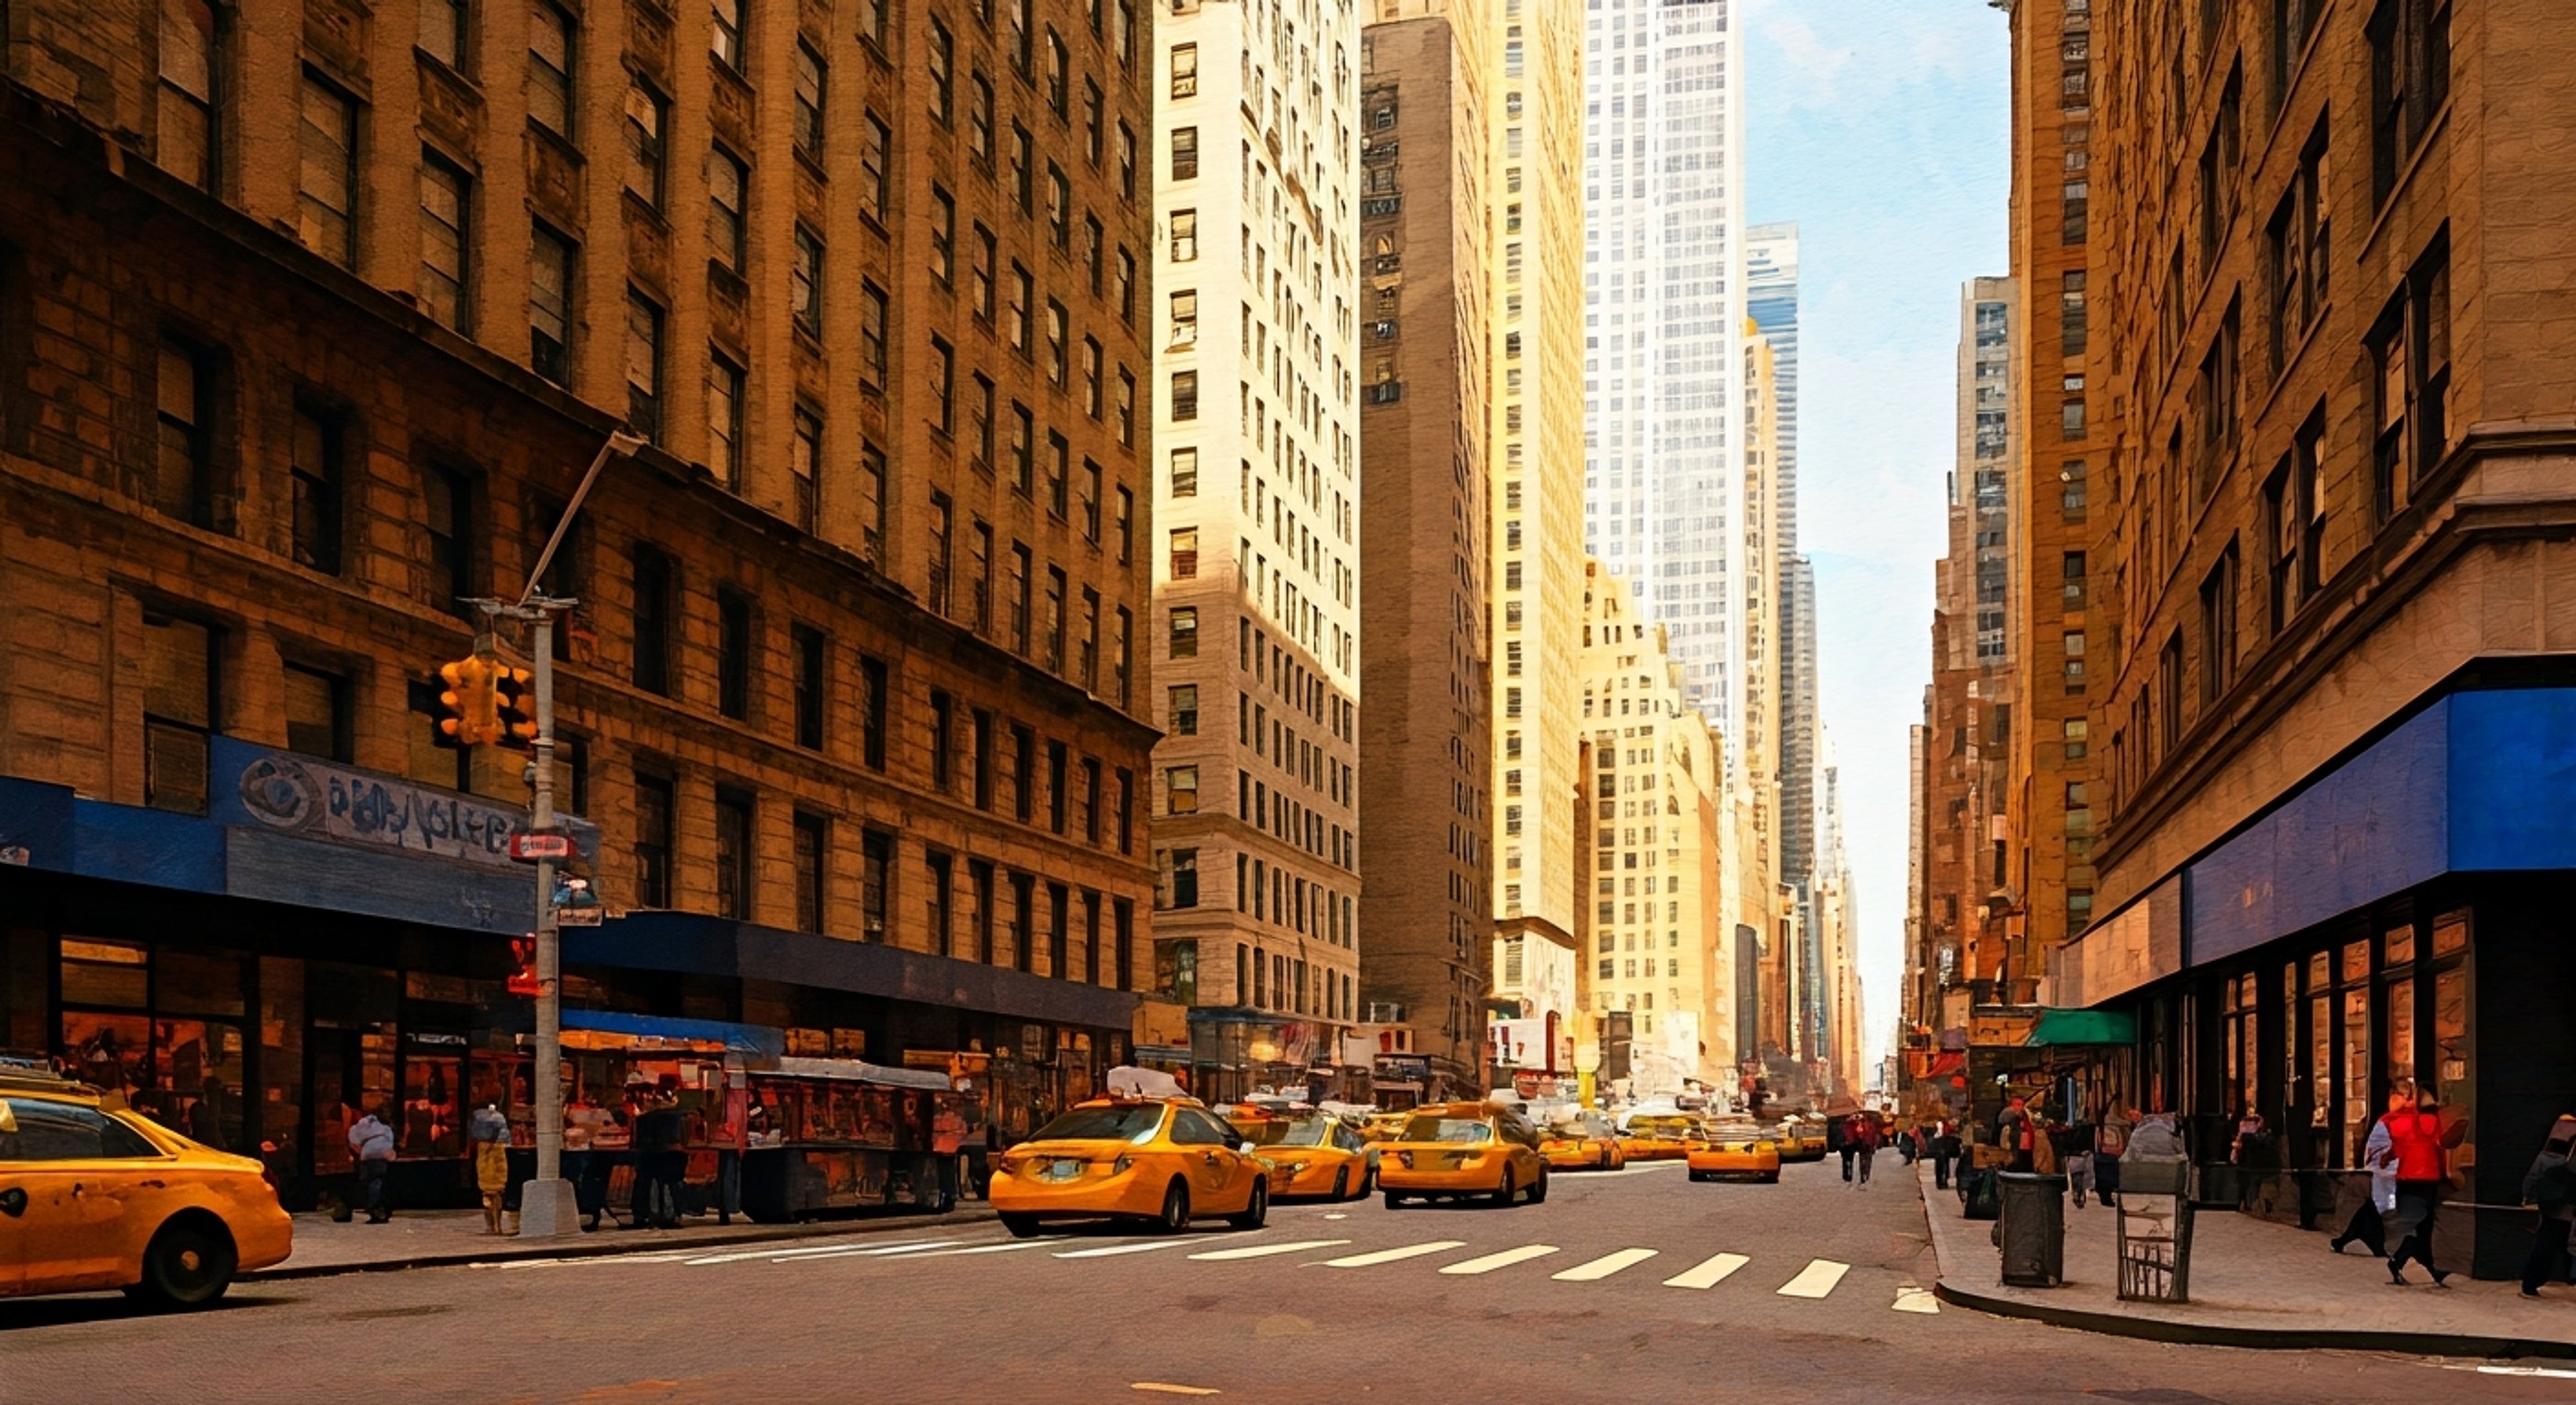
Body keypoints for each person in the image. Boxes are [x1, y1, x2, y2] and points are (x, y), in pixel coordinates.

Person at [2330, 1087, 2410, 1257]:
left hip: (2390, 1170)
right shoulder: (2387, 1122)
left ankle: (2352, 1238)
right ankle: (2360, 1240)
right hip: (2387, 1170)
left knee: (2373, 1206)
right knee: (2375, 1206)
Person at [2384, 1092, 2453, 1286]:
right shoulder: (2438, 1124)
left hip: (2407, 1179)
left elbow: (2395, 1150)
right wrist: (2445, 1175)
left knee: (2414, 1224)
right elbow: (2442, 1151)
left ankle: (2422, 1264)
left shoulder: (2406, 1124)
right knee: (2424, 1226)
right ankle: (2402, 1261)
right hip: (2429, 1179)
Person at [2519, 1112, 2576, 1298]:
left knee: (2549, 1243)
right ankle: (2532, 1282)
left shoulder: (2562, 1141)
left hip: (2558, 1204)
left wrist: (2531, 1197)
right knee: (2552, 1243)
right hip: (2565, 1204)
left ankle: (2531, 1282)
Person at [347, 1105, 396, 1223]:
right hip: (381, 1153)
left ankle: (376, 1207)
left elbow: (353, 1136)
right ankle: (378, 1206)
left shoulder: (364, 1123)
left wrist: (360, 1151)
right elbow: (390, 1141)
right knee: (377, 1181)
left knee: (370, 1181)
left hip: (368, 1154)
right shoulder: (385, 1127)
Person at [468, 1100, 511, 1235]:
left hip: (487, 1172)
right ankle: (496, 1226)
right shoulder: (499, 1144)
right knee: (495, 1196)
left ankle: (492, 1226)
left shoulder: (482, 1144)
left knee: (488, 1197)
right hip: (496, 1171)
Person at [2093, 1103, 2132, 1210]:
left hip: (2105, 1157)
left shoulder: (2102, 1125)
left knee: (2105, 1178)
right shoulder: (2116, 1125)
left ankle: (2106, 1195)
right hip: (2110, 1157)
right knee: (2109, 1177)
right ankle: (2107, 1195)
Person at [2231, 1106, 2271, 1212]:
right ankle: (2246, 1203)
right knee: (2247, 1184)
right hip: (2248, 1162)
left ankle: (2244, 1203)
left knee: (2246, 1184)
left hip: (2247, 1162)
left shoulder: (2247, 1135)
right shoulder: (2251, 1136)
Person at [1998, 1097, 2035, 1173]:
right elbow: (2002, 1121)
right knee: (2016, 1160)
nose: (2021, 1107)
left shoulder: (2026, 1114)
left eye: (2022, 1105)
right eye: (2018, 1105)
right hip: (2015, 1143)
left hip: (2027, 1146)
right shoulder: (2008, 1114)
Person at [1931, 1116, 1960, 1191]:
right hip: (1941, 1145)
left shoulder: (1947, 1125)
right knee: (1942, 1164)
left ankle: (1942, 1181)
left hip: (1943, 1146)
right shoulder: (1940, 1125)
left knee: (1943, 1164)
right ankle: (1941, 1182)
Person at [1854, 1113, 1881, 1187]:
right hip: (1868, 1146)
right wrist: (1875, 1145)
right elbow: (1875, 1137)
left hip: (1864, 1145)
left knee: (1863, 1161)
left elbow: (1857, 1135)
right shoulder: (1872, 1127)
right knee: (1867, 1161)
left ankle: (1863, 1176)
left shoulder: (1862, 1127)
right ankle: (1866, 1176)